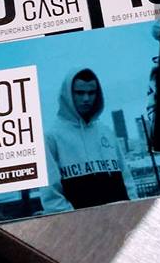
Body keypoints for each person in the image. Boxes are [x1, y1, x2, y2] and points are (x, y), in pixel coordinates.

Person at [41, 68, 136, 211]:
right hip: (82, 222)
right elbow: (51, 196)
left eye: (91, 93)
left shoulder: (106, 131)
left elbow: (126, 178)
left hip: (121, 217)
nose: (86, 99)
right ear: (67, 94)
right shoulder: (51, 136)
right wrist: (78, 221)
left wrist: (134, 208)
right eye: (80, 93)